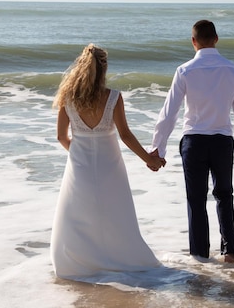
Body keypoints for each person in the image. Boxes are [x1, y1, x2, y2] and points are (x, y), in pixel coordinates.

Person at [50, 44, 165, 281]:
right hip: (110, 165)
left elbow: (61, 136)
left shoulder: (68, 98)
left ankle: (80, 264)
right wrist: (150, 159)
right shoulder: (113, 97)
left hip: (79, 164)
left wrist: (78, 154)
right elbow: (125, 135)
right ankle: (118, 259)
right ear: (104, 69)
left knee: (79, 214)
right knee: (114, 213)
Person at [150, 20, 234, 263]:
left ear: (193, 41)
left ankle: (199, 256)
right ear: (216, 39)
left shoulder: (185, 71)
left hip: (194, 141)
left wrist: (157, 148)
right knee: (224, 195)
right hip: (222, 141)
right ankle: (229, 253)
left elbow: (170, 112)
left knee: (196, 200)